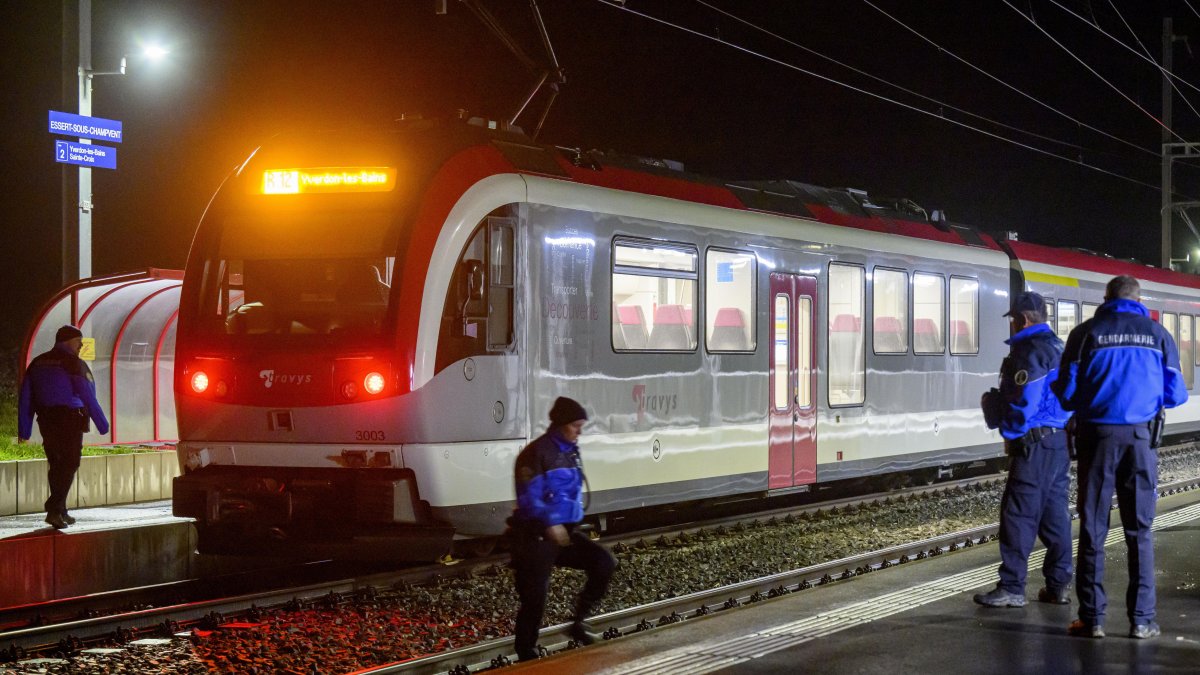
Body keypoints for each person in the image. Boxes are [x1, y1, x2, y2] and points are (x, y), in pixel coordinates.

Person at [1052, 275, 1188, 639]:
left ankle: (1092, 618)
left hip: (1097, 439)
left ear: (1106, 298)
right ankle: (1142, 620)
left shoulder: (1085, 334)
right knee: (1139, 530)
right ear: (1139, 300)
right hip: (1141, 441)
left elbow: (1066, 394)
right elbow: (1176, 394)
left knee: (1093, 527)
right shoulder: (1158, 334)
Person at [974, 291, 1074, 609]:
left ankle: (1012, 587)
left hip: (1033, 444)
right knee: (1054, 516)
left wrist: (1010, 431)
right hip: (1058, 442)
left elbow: (1024, 401)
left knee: (1017, 514)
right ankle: (1058, 585)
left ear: (1023, 319)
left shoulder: (1030, 350)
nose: (1012, 325)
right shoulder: (1059, 346)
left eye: (1014, 320)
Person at [509, 396, 616, 661]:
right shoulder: (535, 453)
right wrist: (550, 522)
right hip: (534, 535)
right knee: (535, 598)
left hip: (564, 534)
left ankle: (578, 622)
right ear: (560, 424)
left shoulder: (570, 451)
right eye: (576, 426)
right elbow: (529, 497)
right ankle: (526, 653)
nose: (580, 432)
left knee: (604, 562)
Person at [17, 325, 110, 529]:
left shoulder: (37, 363)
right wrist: (102, 424)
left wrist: (24, 429)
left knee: (56, 463)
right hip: (70, 419)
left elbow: (26, 398)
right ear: (68, 341)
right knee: (70, 462)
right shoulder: (73, 363)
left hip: (46, 419)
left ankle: (61, 511)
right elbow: (88, 396)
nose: (81, 346)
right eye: (79, 342)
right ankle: (54, 508)